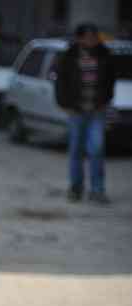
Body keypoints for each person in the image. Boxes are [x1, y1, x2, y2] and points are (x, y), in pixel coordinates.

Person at [55, 22, 115, 204]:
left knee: (96, 149)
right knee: (76, 150)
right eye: (88, 36)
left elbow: (111, 81)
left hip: (96, 111)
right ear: (80, 38)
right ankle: (76, 188)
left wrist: (106, 100)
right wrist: (64, 103)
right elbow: (60, 82)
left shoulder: (104, 55)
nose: (92, 40)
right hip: (77, 111)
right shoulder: (69, 56)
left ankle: (97, 189)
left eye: (94, 36)